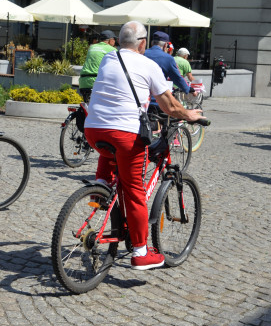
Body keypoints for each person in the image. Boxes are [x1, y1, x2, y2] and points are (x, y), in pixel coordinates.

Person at [84, 21, 203, 270]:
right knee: (134, 191)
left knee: (110, 149)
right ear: (142, 43)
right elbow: (169, 106)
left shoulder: (109, 58)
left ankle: (101, 188)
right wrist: (190, 115)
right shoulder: (148, 65)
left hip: (93, 130)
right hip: (125, 135)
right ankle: (140, 251)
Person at [143, 31, 191, 95]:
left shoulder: (142, 54)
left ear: (152, 43)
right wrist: (188, 89)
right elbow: (177, 78)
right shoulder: (168, 58)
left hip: (140, 95)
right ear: (166, 45)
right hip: (157, 97)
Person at [78, 30, 117, 102]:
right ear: (110, 40)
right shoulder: (113, 50)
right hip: (97, 82)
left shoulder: (92, 47)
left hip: (83, 82)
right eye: (114, 39)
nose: (115, 42)